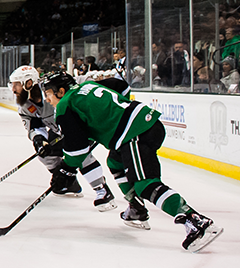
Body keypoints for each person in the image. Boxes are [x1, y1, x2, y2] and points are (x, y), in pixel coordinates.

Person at [42, 71, 224, 252]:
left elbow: (78, 149)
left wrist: (65, 170)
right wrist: (110, 118)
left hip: (135, 135)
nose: (47, 99)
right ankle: (136, 209)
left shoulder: (65, 106)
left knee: (145, 185)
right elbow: (121, 86)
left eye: (48, 93)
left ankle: (196, 221)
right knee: (115, 161)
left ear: (61, 91)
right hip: (146, 124)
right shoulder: (87, 86)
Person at [7, 66, 115, 211]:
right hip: (59, 131)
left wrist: (99, 78)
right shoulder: (25, 105)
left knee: (80, 156)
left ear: (28, 83)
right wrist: (39, 140)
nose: (13, 89)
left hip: (80, 127)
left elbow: (79, 84)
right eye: (12, 84)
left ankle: (102, 190)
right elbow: (34, 126)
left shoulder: (53, 87)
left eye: (16, 84)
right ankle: (68, 183)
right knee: (45, 156)